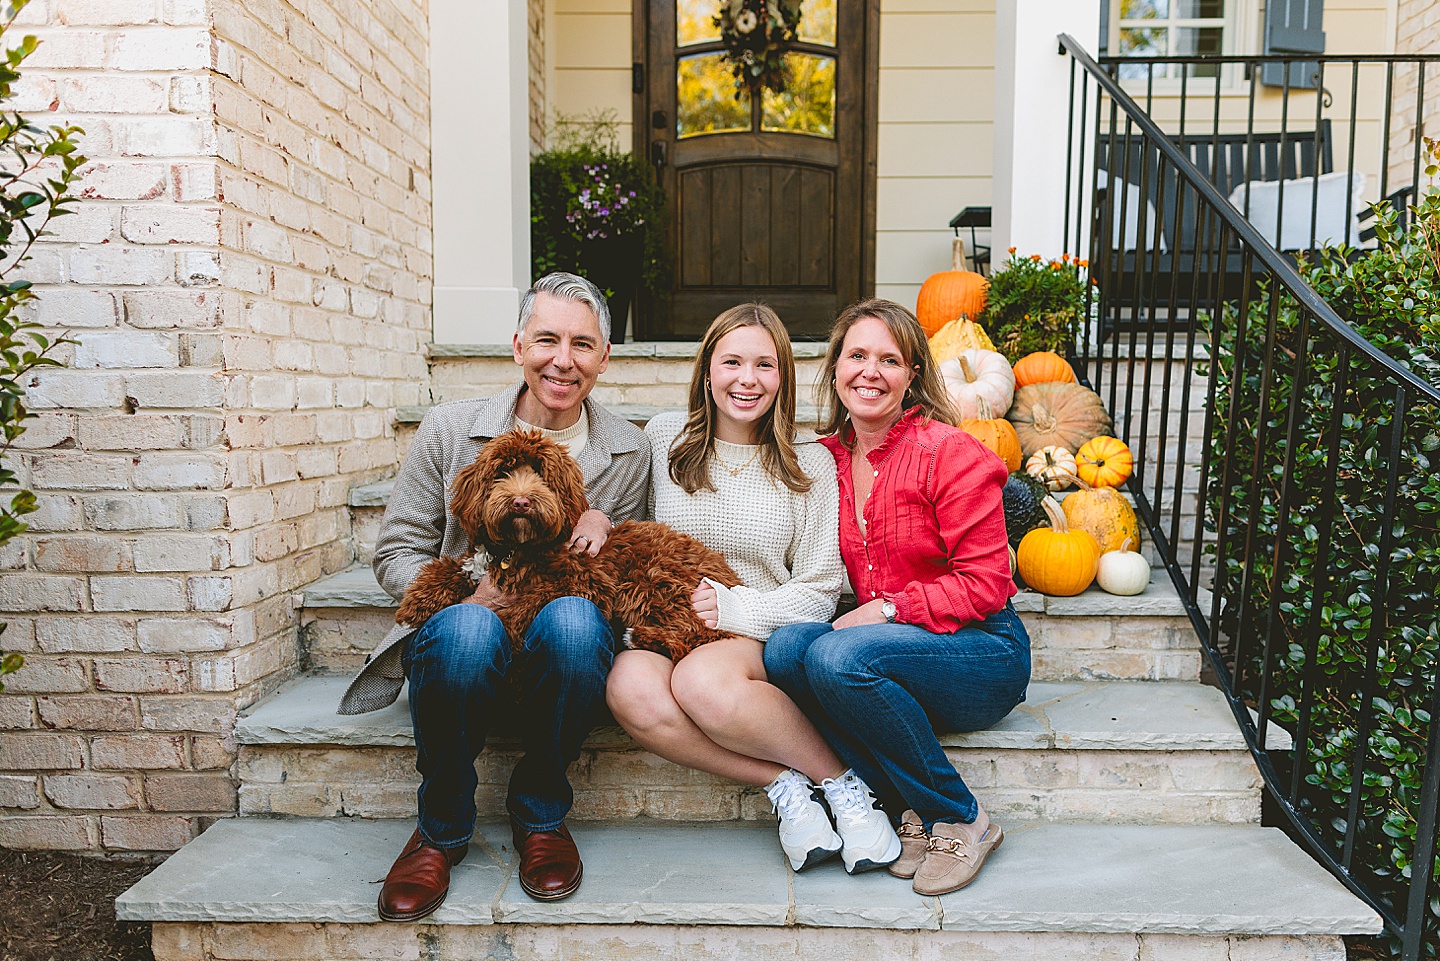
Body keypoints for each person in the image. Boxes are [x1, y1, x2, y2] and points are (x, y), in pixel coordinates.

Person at [337, 272, 651, 919]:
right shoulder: (451, 428)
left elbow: (621, 577)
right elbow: (395, 550)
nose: (563, 360)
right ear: (516, 346)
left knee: (573, 622)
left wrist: (606, 524)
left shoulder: (629, 451)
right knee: (468, 630)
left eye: (582, 344)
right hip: (462, 649)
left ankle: (540, 811)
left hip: (558, 659)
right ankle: (441, 825)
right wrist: (457, 596)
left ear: (604, 358)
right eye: (547, 339)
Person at [606, 303, 902, 874]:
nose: (747, 379)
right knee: (628, 686)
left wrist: (736, 606)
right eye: (732, 362)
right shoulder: (666, 437)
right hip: (667, 626)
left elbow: (820, 588)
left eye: (765, 365)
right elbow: (630, 529)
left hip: (756, 629)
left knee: (701, 679)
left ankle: (846, 788)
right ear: (707, 368)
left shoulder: (810, 462)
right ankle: (784, 783)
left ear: (783, 377)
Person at [763, 298, 1031, 896]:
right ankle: (906, 810)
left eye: (889, 359)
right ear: (834, 368)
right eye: (856, 355)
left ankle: (962, 818)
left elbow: (988, 584)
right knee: (785, 650)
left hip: (979, 653)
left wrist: (888, 608)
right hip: (887, 655)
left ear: (912, 375)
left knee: (838, 655)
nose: (870, 371)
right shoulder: (824, 459)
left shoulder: (949, 452)